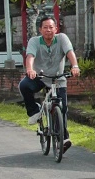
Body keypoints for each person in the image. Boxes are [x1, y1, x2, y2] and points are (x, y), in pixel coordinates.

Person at [20, 15, 80, 152]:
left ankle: (63, 138)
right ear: (40, 29)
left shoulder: (62, 38)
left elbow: (70, 52)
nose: (48, 30)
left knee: (62, 108)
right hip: (39, 77)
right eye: (45, 27)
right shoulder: (34, 41)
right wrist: (30, 70)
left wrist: (75, 66)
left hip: (58, 78)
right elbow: (30, 56)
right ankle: (34, 111)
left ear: (56, 29)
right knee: (24, 86)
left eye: (51, 27)